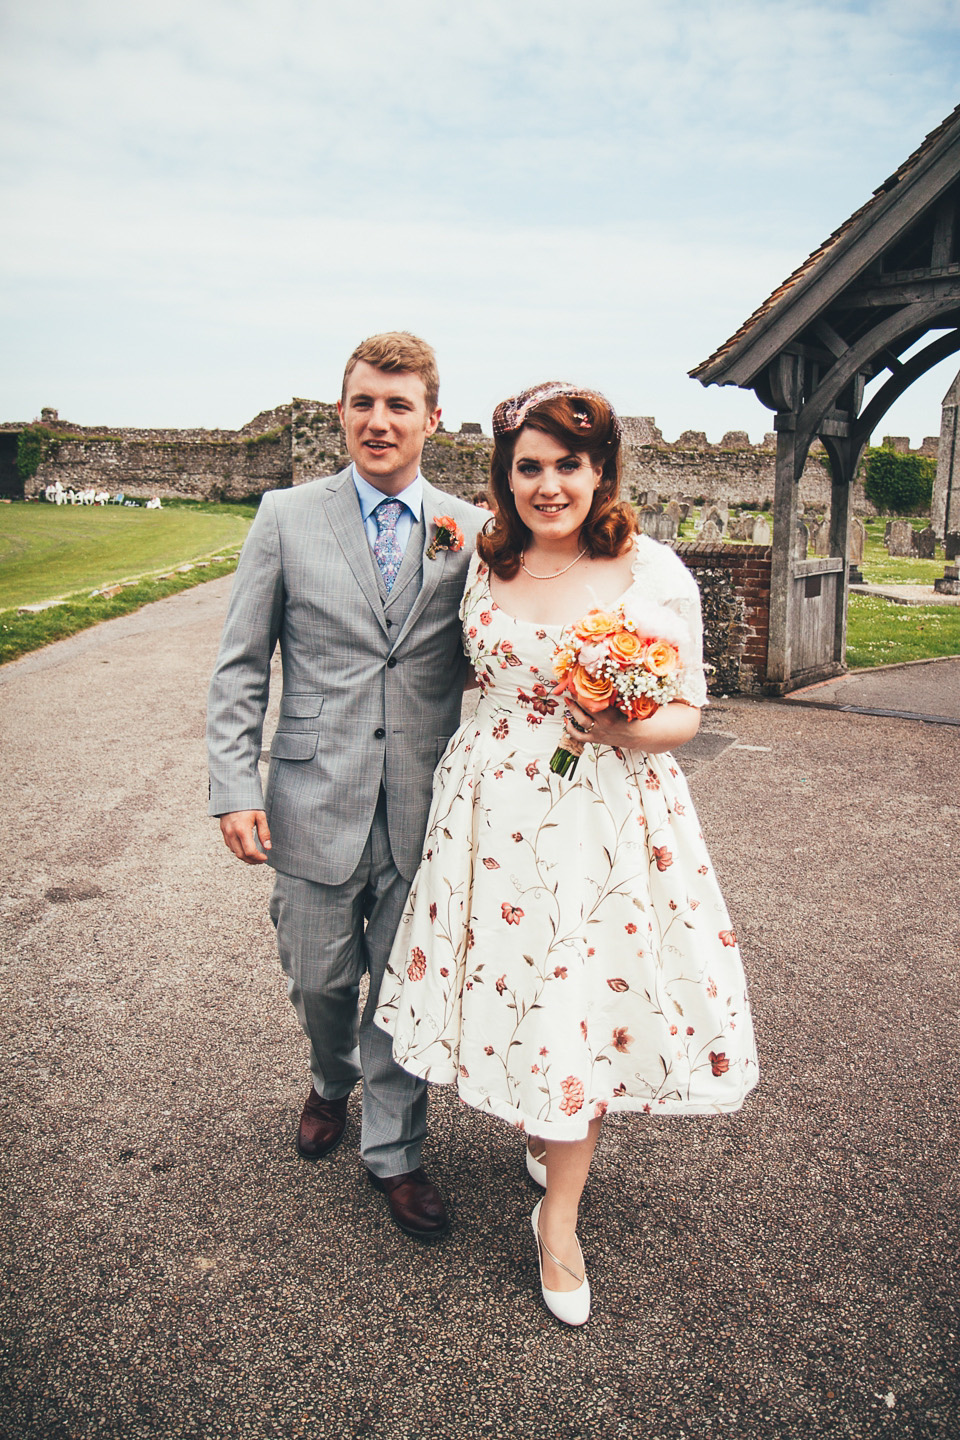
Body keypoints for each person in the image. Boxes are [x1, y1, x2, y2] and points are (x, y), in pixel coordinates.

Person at [376, 381, 758, 1321]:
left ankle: (559, 1221)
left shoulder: (652, 572)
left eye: (569, 466)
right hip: (489, 810)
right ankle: (547, 1121)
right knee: (519, 983)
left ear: (602, 472)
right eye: (529, 467)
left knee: (580, 993)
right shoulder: (485, 561)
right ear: (506, 480)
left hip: (605, 814)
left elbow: (688, 710)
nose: (551, 486)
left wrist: (620, 727)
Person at [206, 332, 486, 1240]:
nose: (379, 420)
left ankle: (394, 1150)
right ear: (341, 412)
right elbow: (243, 665)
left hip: (425, 804)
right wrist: (232, 785)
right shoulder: (284, 515)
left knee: (404, 988)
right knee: (319, 979)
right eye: (364, 402)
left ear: (431, 419)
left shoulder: (473, 531)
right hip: (310, 796)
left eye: (399, 405)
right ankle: (331, 1078)